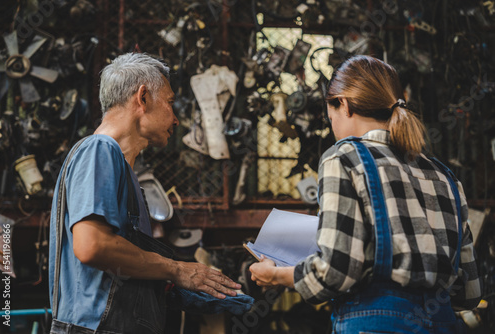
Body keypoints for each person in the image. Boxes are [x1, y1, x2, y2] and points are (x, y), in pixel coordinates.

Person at [249, 55, 482, 333]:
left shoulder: (343, 159)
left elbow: (336, 272)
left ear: (344, 104)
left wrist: (277, 275)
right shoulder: (445, 176)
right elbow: (468, 292)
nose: (332, 125)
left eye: (331, 115)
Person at [49, 52, 243, 333]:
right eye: (170, 103)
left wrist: (179, 289)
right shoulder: (100, 150)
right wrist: (177, 269)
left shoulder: (123, 171)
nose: (175, 120)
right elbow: (92, 246)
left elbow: (119, 268)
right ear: (142, 98)